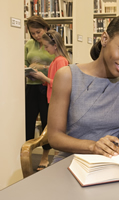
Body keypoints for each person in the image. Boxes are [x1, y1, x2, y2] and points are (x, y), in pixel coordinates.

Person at [47, 15, 119, 164]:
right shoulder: (67, 76)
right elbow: (54, 137)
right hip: (70, 162)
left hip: (110, 163)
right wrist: (93, 146)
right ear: (105, 39)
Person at [25, 16, 55, 171]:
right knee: (27, 122)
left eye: (38, 32)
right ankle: (27, 155)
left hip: (46, 87)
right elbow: (23, 61)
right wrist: (28, 68)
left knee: (46, 122)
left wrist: (42, 68)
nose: (36, 36)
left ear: (45, 28)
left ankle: (45, 156)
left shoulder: (52, 43)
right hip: (31, 86)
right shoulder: (29, 44)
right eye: (32, 33)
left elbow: (60, 63)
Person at [30, 30, 70, 104]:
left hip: (58, 101)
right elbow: (51, 81)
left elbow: (60, 84)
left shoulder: (60, 61)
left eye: (46, 46)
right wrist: (39, 76)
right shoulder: (54, 61)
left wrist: (43, 77)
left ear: (55, 46)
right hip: (52, 99)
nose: (45, 49)